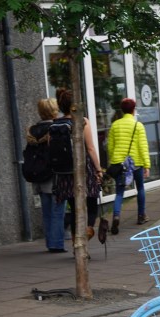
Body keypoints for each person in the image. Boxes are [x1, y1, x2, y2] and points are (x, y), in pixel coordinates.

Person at [52, 88, 104, 245]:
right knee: (91, 203)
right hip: (83, 169)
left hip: (64, 173)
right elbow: (90, 148)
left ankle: (77, 245)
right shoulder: (82, 121)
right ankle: (87, 231)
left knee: (75, 209)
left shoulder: (56, 124)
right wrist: (98, 169)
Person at [106, 98, 150, 234]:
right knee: (140, 188)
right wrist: (147, 165)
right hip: (136, 163)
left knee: (119, 192)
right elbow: (143, 147)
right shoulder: (138, 126)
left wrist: (114, 159)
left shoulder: (115, 125)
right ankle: (141, 216)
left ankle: (116, 216)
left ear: (122, 110)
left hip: (120, 164)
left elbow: (110, 146)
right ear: (133, 110)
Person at [29, 98, 63, 252]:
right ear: (54, 111)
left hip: (39, 175)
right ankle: (57, 243)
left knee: (47, 212)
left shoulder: (32, 131)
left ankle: (50, 242)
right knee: (58, 211)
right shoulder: (56, 129)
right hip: (55, 175)